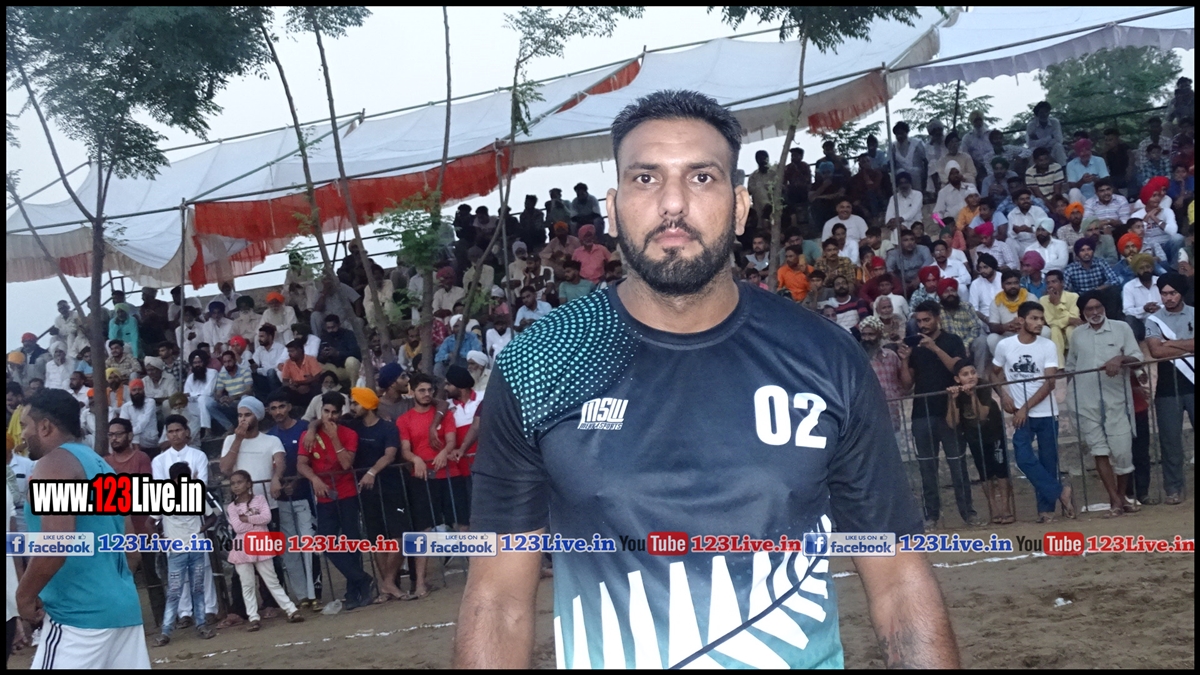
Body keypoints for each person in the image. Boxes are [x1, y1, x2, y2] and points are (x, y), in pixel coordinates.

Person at [456, 91, 959, 670]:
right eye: (646, 178)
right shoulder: (542, 362)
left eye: (701, 177)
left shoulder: (827, 359)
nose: (673, 203)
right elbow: (497, 600)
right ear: (613, 208)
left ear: (740, 207)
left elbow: (897, 579)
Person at [16, 390, 150, 668]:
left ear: (45, 426)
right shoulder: (104, 468)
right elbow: (132, 550)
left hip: (77, 616)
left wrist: (24, 596)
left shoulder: (54, 463)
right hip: (123, 611)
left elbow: (57, 544)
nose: (22, 435)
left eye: (25, 425)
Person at [992, 302, 1072, 523]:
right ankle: (1060, 492)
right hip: (1022, 413)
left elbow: (1050, 382)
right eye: (1034, 318)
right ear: (1021, 320)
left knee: (1048, 461)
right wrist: (1003, 395)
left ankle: (1046, 511)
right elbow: (993, 373)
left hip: (1045, 412)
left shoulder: (1047, 345)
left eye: (1041, 319)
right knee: (1023, 458)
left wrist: (1024, 408)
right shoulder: (1005, 345)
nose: (1039, 323)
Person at [902, 302, 980, 528]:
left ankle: (968, 513)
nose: (922, 325)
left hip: (950, 411)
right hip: (921, 412)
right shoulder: (916, 346)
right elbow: (906, 385)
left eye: (926, 320)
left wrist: (934, 348)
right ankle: (931, 516)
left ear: (937, 318)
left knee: (958, 465)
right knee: (927, 468)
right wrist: (905, 359)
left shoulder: (952, 340)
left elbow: (957, 369)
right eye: (919, 321)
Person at [1067, 292, 1143, 518]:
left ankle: (1121, 496)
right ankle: (1115, 501)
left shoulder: (1121, 328)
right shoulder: (1077, 334)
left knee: (1122, 451)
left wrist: (1120, 359)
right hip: (1085, 401)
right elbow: (1071, 366)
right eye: (1089, 309)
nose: (1095, 312)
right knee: (1098, 450)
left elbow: (1137, 358)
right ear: (1082, 313)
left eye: (1098, 307)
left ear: (1104, 308)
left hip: (1116, 399)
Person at [297, 392, 375, 609]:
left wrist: (334, 438)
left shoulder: (349, 434)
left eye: (334, 412)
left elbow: (346, 464)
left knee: (352, 543)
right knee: (325, 542)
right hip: (325, 496)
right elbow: (301, 463)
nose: (330, 416)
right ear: (320, 411)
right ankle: (362, 579)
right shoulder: (309, 434)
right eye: (326, 411)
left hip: (347, 493)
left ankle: (354, 592)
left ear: (341, 414)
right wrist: (314, 479)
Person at [342, 387, 409, 602]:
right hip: (367, 490)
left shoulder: (387, 428)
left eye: (356, 403)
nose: (353, 407)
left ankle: (387, 583)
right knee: (377, 538)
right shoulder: (353, 426)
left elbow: (390, 455)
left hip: (391, 486)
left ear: (367, 405)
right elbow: (320, 423)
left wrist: (371, 472)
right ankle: (388, 585)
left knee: (399, 536)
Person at [397, 373, 460, 600]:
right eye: (422, 390)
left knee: (462, 522)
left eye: (429, 390)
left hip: (448, 473)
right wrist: (416, 459)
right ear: (412, 391)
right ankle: (420, 583)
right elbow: (405, 449)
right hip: (421, 476)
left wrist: (444, 452)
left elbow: (451, 440)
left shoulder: (444, 414)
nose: (426, 394)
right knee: (422, 530)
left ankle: (479, 572)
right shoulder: (404, 419)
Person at [150, 460, 218, 647]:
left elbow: (212, 516)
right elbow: (150, 522)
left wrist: (160, 537)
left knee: (192, 589)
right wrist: (160, 538)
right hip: (181, 549)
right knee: (179, 591)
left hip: (191, 548)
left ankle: (179, 629)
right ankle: (172, 630)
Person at [225, 469, 304, 631]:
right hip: (243, 547)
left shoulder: (260, 499)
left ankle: (290, 609)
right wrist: (256, 521)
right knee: (247, 584)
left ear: (248, 484)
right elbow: (238, 527)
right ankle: (253, 617)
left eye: (239, 482)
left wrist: (247, 519)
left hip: (260, 544)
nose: (236, 486)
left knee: (271, 580)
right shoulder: (232, 507)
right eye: (233, 483)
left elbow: (267, 518)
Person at [263, 391, 318, 610]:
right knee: (290, 549)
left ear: (289, 407)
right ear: (269, 411)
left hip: (305, 495)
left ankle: (315, 593)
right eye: (274, 408)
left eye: (281, 407)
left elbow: (311, 459)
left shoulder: (303, 428)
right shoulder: (270, 436)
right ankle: (302, 596)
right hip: (282, 499)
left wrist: (296, 480)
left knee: (308, 544)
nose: (278, 412)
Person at [1143, 274, 1194, 506]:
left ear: (1181, 293)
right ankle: (1173, 488)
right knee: (1170, 441)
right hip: (1167, 388)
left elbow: (1164, 348)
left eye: (1172, 293)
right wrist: (1187, 345)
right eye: (1164, 293)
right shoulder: (1153, 320)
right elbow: (1156, 351)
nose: (1168, 298)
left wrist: (1171, 343)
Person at [945, 361, 1014, 525]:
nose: (971, 377)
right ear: (957, 379)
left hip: (993, 431)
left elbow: (982, 415)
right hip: (974, 436)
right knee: (985, 473)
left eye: (973, 372)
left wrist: (972, 395)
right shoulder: (955, 391)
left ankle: (1006, 508)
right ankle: (993, 509)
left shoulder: (983, 385)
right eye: (965, 374)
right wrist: (953, 400)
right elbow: (952, 423)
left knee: (1001, 470)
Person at [859, 316, 910, 436]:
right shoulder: (858, 359)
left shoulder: (891, 356)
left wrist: (905, 360)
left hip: (893, 414)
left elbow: (905, 384)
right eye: (864, 335)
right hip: (869, 416)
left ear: (879, 335)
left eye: (871, 334)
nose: (867, 338)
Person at [1039, 270, 1082, 365]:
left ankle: (1079, 360)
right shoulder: (1043, 300)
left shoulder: (1073, 297)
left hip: (1071, 327)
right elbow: (1050, 322)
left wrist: (1058, 304)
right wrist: (1067, 320)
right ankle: (1059, 366)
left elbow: (1075, 318)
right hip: (1056, 329)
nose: (1050, 285)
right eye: (1048, 283)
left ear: (1062, 283)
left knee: (1070, 329)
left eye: (1054, 282)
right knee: (1054, 330)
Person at [207, 350, 253, 433]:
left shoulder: (245, 371)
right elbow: (218, 393)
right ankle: (229, 427)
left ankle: (247, 426)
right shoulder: (222, 375)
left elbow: (249, 390)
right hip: (230, 402)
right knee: (210, 405)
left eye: (229, 361)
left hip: (243, 400)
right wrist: (221, 399)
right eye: (225, 362)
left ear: (234, 360)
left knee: (245, 398)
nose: (227, 364)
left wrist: (234, 397)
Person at [1121, 255, 1161, 342]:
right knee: (1129, 319)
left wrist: (1160, 308)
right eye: (1141, 268)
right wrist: (1144, 309)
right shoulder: (1129, 286)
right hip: (1141, 324)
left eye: (1148, 267)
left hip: (1163, 321)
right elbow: (1127, 310)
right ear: (1136, 271)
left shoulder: (1161, 281)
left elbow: (1172, 302)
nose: (1146, 270)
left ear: (1152, 268)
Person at [886, 228, 935, 297]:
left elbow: (929, 264)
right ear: (900, 242)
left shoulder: (923, 249)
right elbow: (889, 270)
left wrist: (918, 279)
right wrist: (900, 283)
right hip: (902, 285)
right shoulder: (893, 254)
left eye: (912, 239)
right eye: (905, 240)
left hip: (922, 282)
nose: (910, 243)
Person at [1065, 138, 1109, 203]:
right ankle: (1076, 209)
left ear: (1091, 150)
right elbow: (1071, 186)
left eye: (1087, 150)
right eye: (1082, 151)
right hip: (1081, 198)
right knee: (1074, 191)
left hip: (1097, 196)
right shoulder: (1071, 164)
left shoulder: (1099, 160)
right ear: (1077, 153)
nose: (1085, 153)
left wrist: (1095, 179)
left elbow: (1107, 181)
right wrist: (1082, 181)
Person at [889, 121, 927, 194]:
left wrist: (925, 177)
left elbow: (925, 160)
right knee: (900, 173)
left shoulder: (917, 143)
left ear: (906, 133)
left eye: (901, 133)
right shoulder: (893, 146)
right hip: (901, 175)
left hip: (917, 174)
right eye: (897, 134)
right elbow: (891, 164)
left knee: (915, 172)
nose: (899, 136)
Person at [1026, 101, 1066, 166]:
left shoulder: (1055, 122)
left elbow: (1059, 139)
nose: (1044, 114)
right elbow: (1030, 144)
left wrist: (1040, 141)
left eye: (1046, 111)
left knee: (1058, 146)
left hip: (1052, 149)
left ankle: (1063, 168)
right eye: (1041, 112)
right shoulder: (1031, 125)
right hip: (1039, 152)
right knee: (1031, 151)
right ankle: (1035, 171)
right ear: (1037, 114)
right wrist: (1050, 137)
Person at [746, 149, 776, 229]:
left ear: (768, 159)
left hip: (774, 200)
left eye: (764, 158)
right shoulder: (753, 176)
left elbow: (779, 186)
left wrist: (768, 187)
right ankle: (766, 207)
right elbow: (750, 190)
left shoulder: (774, 173)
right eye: (760, 159)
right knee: (758, 189)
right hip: (759, 204)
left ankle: (767, 207)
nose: (763, 161)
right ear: (757, 160)